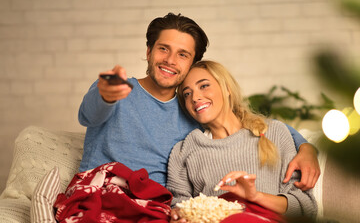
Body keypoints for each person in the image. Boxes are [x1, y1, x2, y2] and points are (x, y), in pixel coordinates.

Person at [78, 12, 319, 190]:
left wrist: (306, 147)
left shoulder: (194, 108)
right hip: (100, 197)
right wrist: (106, 94)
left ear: (192, 65)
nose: (171, 60)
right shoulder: (117, 89)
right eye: (164, 49)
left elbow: (252, 123)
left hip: (155, 210)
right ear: (149, 51)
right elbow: (89, 114)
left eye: (182, 55)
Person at [167, 60, 318, 222]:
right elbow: (178, 206)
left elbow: (305, 206)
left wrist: (255, 196)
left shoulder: (274, 133)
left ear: (227, 89)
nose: (195, 97)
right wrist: (178, 215)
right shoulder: (183, 151)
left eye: (204, 86)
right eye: (187, 94)